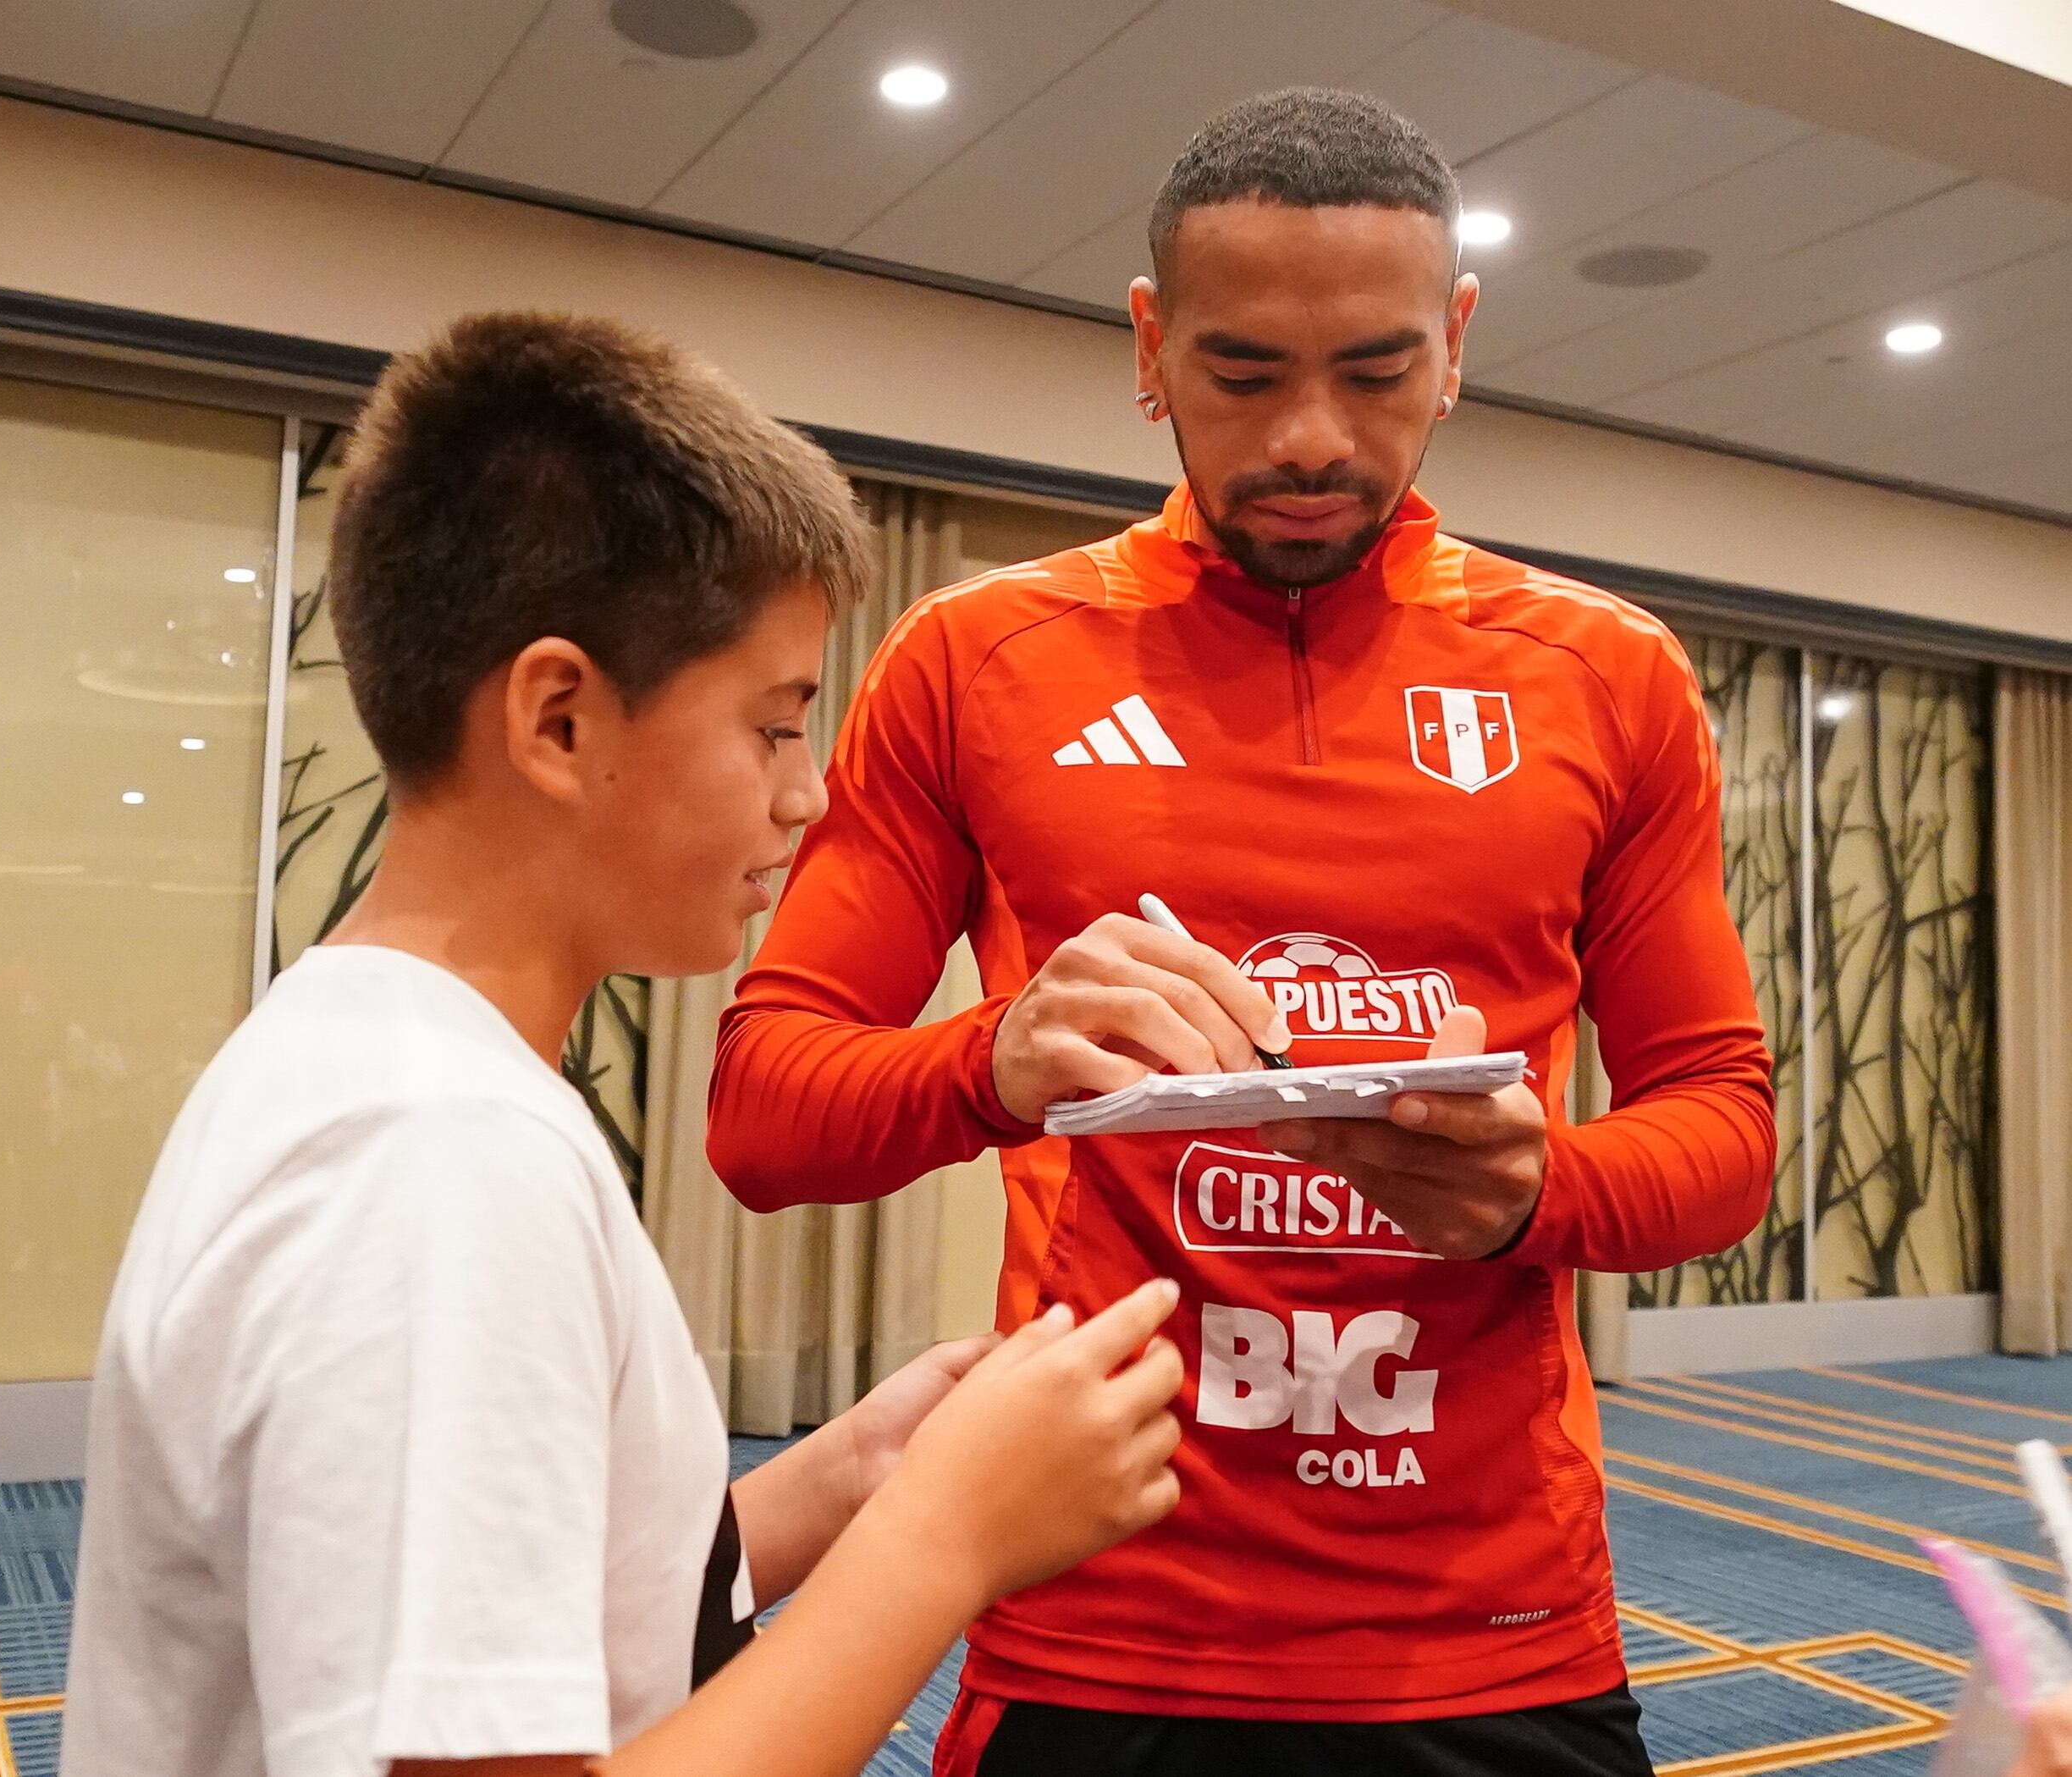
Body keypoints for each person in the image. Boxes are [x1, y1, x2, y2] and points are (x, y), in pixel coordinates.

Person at [708, 88, 1777, 1777]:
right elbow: (764, 1112)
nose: (1311, 441)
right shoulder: (977, 661)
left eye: (1374, 370)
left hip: (1492, 1644)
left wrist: (1537, 1191)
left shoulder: (1608, 676)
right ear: (1149, 346)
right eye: (1242, 372)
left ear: (1457, 346)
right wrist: (997, 1059)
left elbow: (1724, 1132)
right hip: (1097, 1624)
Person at [59, 312, 1188, 1777]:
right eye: (774, 728)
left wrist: (850, 1480)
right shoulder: (435, 1160)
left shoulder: (386, 1066)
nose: (804, 799)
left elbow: (550, 1616)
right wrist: (943, 1541)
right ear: (560, 720)